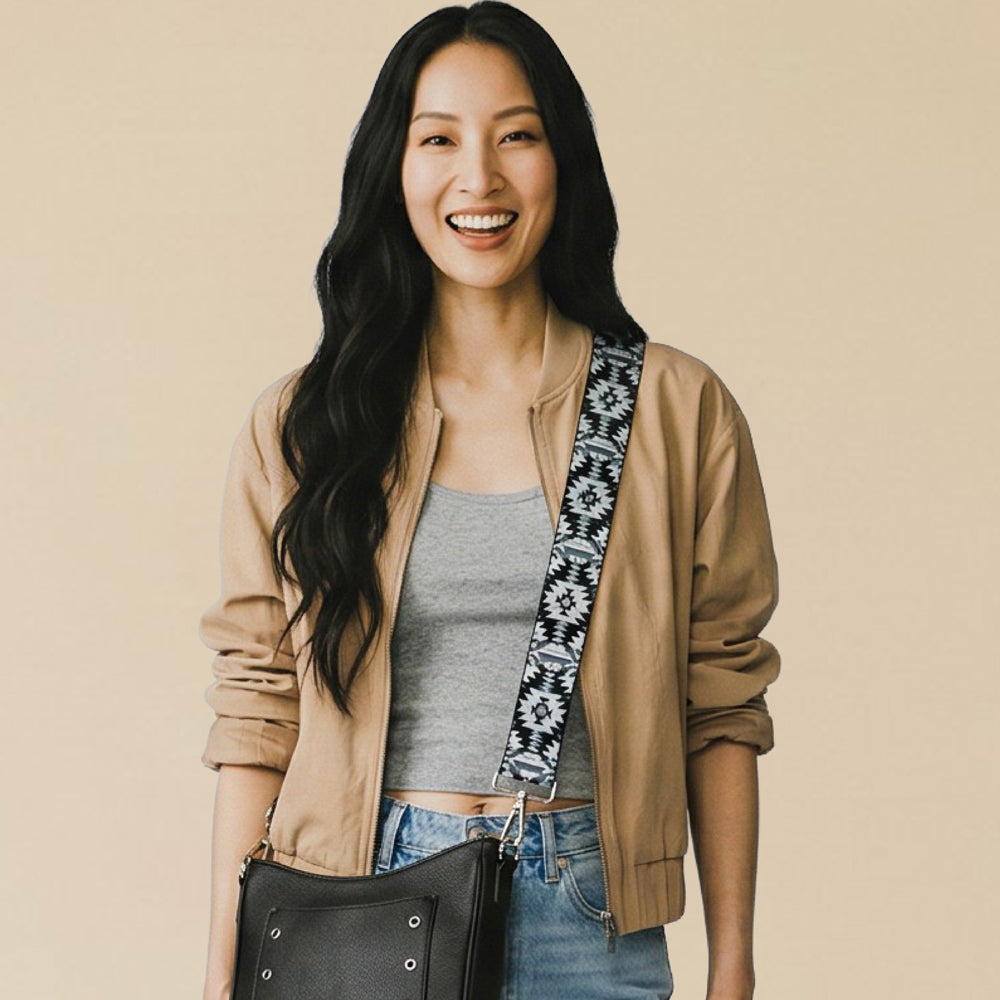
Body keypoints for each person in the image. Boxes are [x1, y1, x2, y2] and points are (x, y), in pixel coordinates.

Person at [198, 3, 781, 999]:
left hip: (584, 912)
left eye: (518, 135)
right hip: (356, 899)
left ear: (565, 161)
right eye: (439, 140)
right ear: (395, 169)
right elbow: (258, 709)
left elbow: (719, 701)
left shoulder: (670, 411)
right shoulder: (309, 425)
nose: (480, 177)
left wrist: (733, 965)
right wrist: (219, 978)